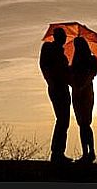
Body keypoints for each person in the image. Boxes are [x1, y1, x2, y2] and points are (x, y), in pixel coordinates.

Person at [39, 27, 72, 163]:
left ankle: (59, 152)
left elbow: (65, 73)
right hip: (56, 87)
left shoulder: (62, 54)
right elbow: (44, 66)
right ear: (56, 37)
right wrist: (51, 81)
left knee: (64, 121)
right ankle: (56, 153)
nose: (64, 39)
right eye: (62, 36)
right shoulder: (48, 48)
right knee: (62, 119)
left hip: (63, 87)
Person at [70, 36, 97, 163]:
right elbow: (70, 77)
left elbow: (91, 75)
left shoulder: (92, 59)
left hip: (86, 93)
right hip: (77, 93)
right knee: (82, 124)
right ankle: (86, 153)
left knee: (85, 123)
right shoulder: (75, 62)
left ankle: (90, 152)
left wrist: (81, 87)